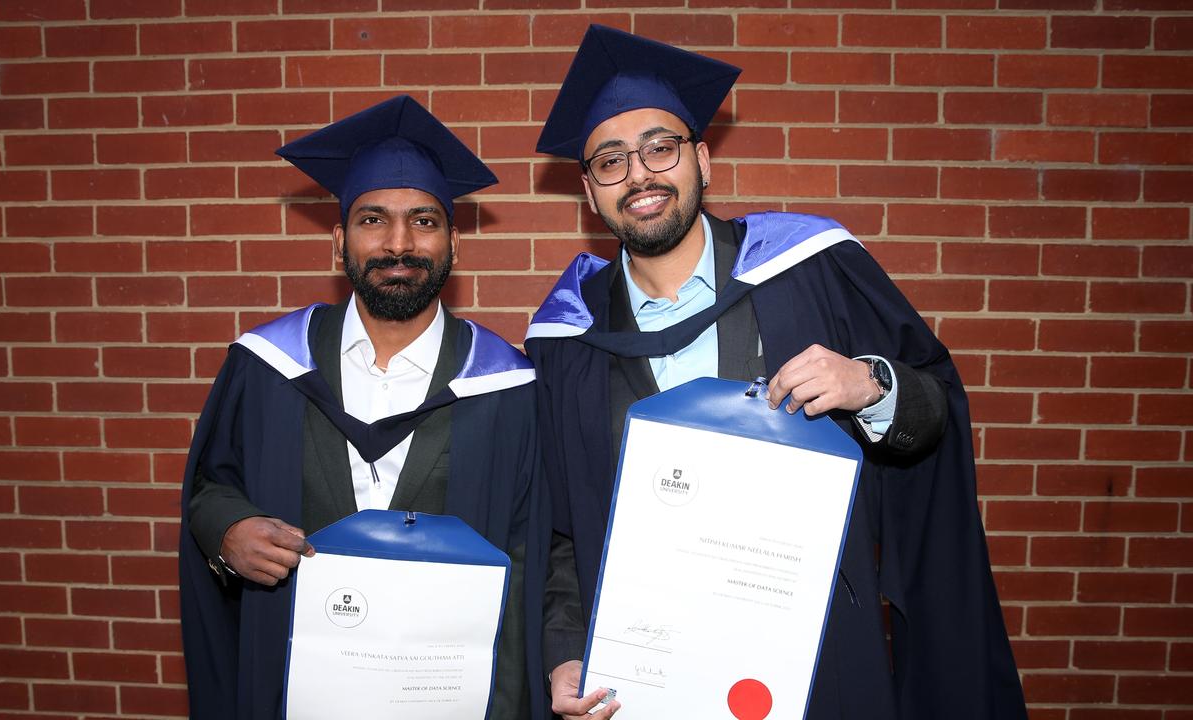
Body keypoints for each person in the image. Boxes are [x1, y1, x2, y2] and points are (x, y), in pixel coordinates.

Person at [525, 26, 1026, 720]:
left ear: (702, 160)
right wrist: (564, 650)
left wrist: (871, 386)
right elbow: (563, 532)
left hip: (814, 660)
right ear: (589, 190)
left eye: (660, 147)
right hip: (648, 677)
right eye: (610, 161)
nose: (638, 174)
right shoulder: (568, 340)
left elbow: (934, 409)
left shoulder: (809, 271)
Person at [178, 95, 546, 720]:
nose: (398, 243)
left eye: (424, 221)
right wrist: (227, 532)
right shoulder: (268, 365)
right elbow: (213, 486)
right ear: (339, 241)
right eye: (373, 219)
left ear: (453, 244)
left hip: (449, 697)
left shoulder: (506, 386)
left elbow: (532, 558)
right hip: (295, 687)